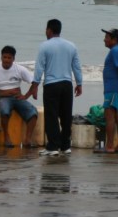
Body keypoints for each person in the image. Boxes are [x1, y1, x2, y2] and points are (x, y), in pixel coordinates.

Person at [26, 18, 82, 156]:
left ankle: (52, 147)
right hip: (67, 84)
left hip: (52, 84)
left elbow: (40, 68)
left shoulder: (45, 46)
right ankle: (65, 146)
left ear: (49, 30)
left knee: (51, 116)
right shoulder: (71, 45)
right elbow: (76, 66)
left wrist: (35, 85)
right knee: (66, 115)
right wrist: (79, 83)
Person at [0, 45, 40, 148]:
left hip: (18, 98)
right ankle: (7, 137)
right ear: (1, 57)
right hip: (4, 99)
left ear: (13, 59)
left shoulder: (19, 69)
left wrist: (26, 96)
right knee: (4, 112)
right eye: (4, 57)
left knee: (33, 113)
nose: (6, 60)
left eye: (9, 58)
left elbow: (34, 82)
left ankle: (27, 140)